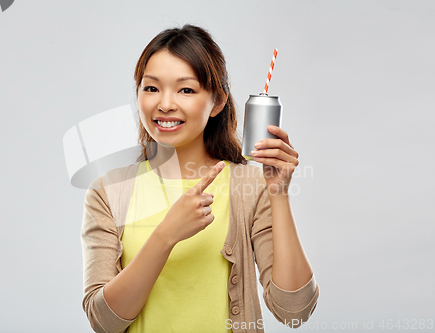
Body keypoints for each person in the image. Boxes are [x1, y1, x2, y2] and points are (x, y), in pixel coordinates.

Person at [81, 24, 319, 333]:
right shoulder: (109, 192)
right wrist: (166, 235)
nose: (165, 104)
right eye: (151, 88)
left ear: (218, 102)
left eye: (186, 89)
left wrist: (278, 193)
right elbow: (103, 322)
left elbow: (294, 312)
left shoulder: (248, 187)